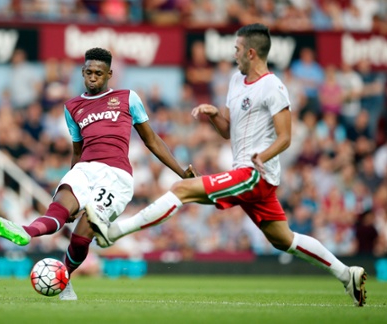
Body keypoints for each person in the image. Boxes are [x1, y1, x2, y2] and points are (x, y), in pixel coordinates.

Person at [86, 24, 368, 307]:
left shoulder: (274, 87)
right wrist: (212, 114)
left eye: (236, 50)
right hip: (247, 175)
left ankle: (113, 233)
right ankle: (347, 274)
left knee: (182, 189)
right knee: (283, 240)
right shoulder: (236, 80)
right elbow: (227, 130)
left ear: (251, 53)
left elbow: (286, 137)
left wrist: (264, 156)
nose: (233, 55)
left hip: (255, 174)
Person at [0, 48, 196, 300]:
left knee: (82, 235)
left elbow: (152, 141)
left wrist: (182, 172)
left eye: (98, 73)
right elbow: (77, 150)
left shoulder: (128, 98)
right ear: (82, 73)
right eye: (88, 72)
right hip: (85, 168)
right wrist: (74, 186)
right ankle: (26, 231)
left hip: (116, 176)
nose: (92, 77)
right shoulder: (72, 107)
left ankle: (65, 277)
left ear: (109, 74)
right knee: (59, 209)